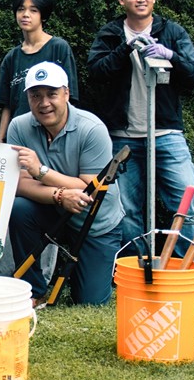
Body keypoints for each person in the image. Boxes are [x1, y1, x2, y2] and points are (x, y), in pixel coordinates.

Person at [87, 0, 194, 254]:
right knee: (126, 208)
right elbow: (96, 71)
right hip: (123, 137)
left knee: (184, 199)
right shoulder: (112, 33)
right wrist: (126, 48)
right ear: (121, 0)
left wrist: (170, 56)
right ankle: (137, 270)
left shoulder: (172, 31)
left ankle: (181, 268)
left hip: (166, 133)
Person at [7, 62, 123, 304]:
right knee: (19, 209)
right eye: (35, 95)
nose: (44, 103)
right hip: (52, 210)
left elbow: (91, 188)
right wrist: (59, 196)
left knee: (90, 302)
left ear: (67, 94)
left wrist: (41, 171)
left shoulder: (92, 129)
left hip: (95, 221)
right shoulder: (18, 126)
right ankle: (34, 290)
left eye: (52, 94)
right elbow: (18, 185)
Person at [0, 0, 80, 142]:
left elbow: (69, 98)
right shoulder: (11, 57)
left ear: (43, 15)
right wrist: (0, 141)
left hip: (52, 137)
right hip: (19, 135)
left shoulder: (59, 48)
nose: (25, 15)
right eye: (21, 9)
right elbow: (7, 106)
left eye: (33, 10)